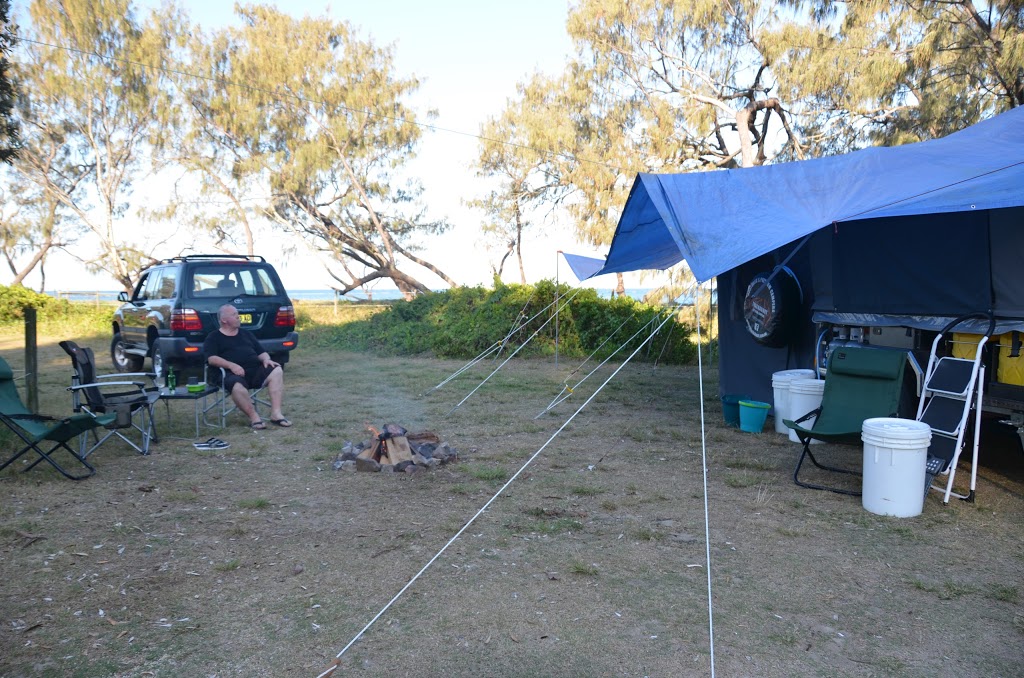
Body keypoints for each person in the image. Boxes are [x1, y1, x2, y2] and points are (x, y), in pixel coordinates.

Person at [203, 304, 291, 429]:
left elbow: (261, 352)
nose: (238, 317)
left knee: (277, 370)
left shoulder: (246, 334)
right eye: (234, 315)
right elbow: (212, 358)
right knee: (237, 385)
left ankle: (276, 414)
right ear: (224, 320)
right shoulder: (213, 337)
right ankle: (254, 417)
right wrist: (231, 365)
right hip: (229, 374)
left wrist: (267, 359)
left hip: (253, 371)